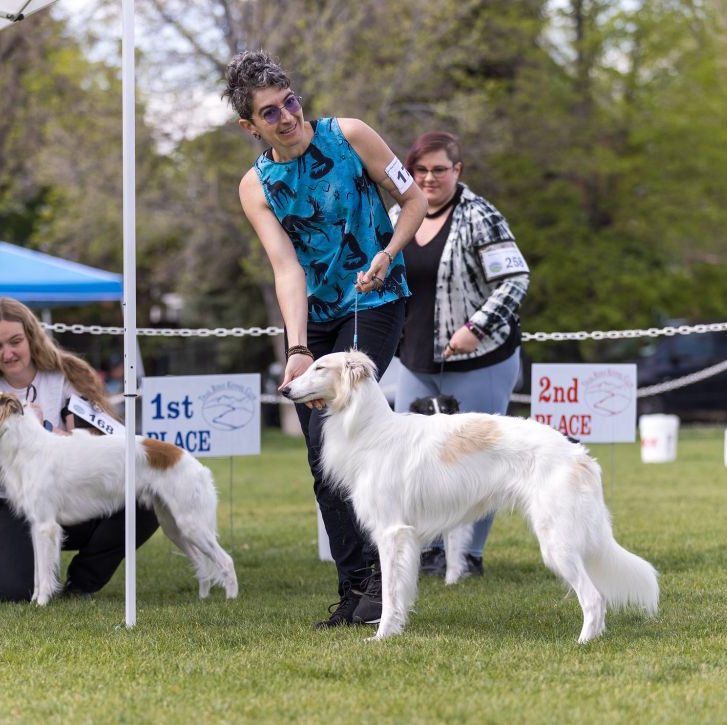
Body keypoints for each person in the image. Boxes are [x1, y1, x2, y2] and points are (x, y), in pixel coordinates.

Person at [223, 50, 427, 628]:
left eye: (289, 100)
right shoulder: (257, 185)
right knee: (320, 448)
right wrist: (297, 349)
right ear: (250, 126)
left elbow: (411, 200)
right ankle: (358, 587)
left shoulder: (352, 136)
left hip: (376, 299)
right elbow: (286, 270)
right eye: (270, 112)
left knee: (348, 427)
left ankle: (387, 577)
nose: (287, 116)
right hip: (314, 317)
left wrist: (388, 254)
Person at [0, 297, 159, 602]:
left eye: (15, 341)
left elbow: (97, 440)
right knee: (16, 592)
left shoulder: (65, 375)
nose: (8, 353)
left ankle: (81, 582)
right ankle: (38, 578)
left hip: (68, 493)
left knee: (146, 503)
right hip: (9, 506)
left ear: (31, 336)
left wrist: (47, 429)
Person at [392, 132, 529, 578]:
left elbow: (514, 280)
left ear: (458, 170)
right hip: (414, 360)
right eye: (420, 170)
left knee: (478, 464)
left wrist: (477, 327)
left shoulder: (480, 216)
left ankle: (468, 555)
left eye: (439, 169)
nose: (429, 178)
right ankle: (431, 551)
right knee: (415, 459)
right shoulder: (399, 214)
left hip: (481, 360)